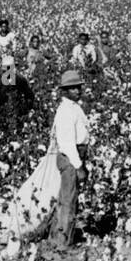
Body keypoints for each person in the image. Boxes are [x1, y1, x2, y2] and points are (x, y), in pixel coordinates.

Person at [49, 70, 91, 248]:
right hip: (70, 158)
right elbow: (66, 143)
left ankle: (60, 237)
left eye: (78, 87)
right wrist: (79, 166)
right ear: (64, 91)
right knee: (68, 200)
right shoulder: (66, 110)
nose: (77, 90)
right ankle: (62, 242)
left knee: (67, 198)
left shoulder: (74, 107)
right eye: (72, 88)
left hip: (75, 156)